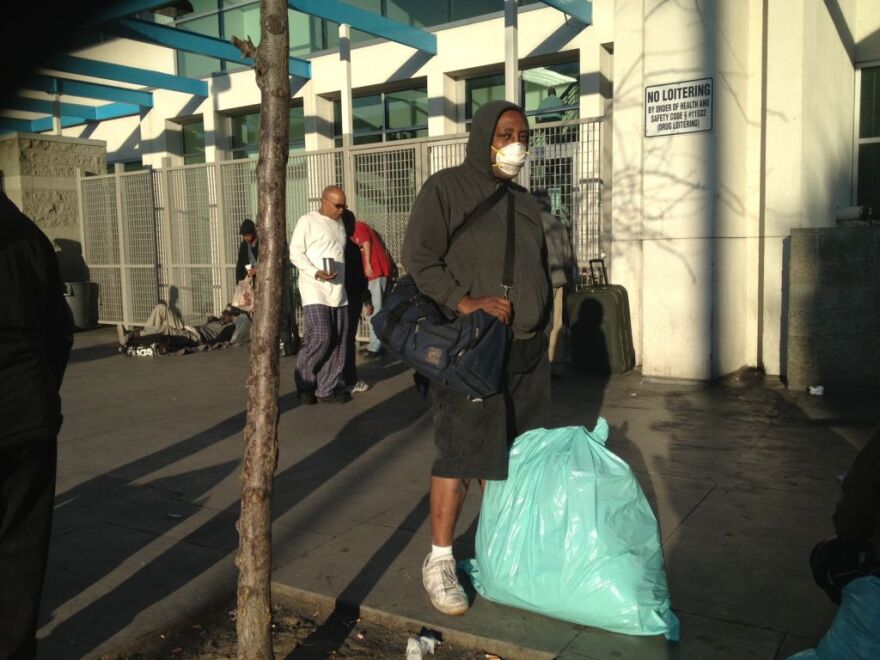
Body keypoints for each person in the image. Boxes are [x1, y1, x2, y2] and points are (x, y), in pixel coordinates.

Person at [401, 100, 552, 616]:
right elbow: (419, 258)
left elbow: (540, 266)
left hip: (525, 349)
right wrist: (465, 301)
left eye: (524, 135)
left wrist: (543, 325)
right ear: (483, 136)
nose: (517, 144)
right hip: (472, 346)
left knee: (512, 458)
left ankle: (501, 551)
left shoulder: (525, 202)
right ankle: (439, 561)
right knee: (461, 451)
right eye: (506, 133)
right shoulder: (446, 189)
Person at [0, 191, 74, 658]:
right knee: (21, 543)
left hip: (27, 404)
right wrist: (43, 388)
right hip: (26, 410)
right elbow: (58, 330)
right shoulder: (30, 236)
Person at [289, 185, 352, 405]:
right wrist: (315, 271)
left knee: (338, 341)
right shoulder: (307, 221)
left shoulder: (341, 224)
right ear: (324, 201)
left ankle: (326, 388)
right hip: (313, 288)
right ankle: (304, 380)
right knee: (322, 335)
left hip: (338, 290)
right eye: (337, 205)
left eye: (344, 206)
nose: (341, 210)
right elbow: (295, 253)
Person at [533, 189, 575, 378]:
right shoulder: (558, 224)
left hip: (538, 279)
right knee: (557, 321)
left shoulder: (530, 223)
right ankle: (555, 362)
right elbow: (568, 256)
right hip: (557, 279)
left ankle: (539, 362)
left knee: (540, 320)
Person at [118, 303, 241, 354]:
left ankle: (134, 335)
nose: (224, 316)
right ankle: (136, 336)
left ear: (233, 317)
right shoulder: (215, 319)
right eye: (224, 313)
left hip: (195, 337)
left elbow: (217, 341)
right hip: (188, 327)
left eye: (227, 315)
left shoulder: (229, 327)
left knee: (165, 329)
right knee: (161, 308)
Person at [351, 218, 394, 358]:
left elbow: (366, 242)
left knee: (374, 308)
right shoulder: (353, 231)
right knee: (375, 308)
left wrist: (368, 264)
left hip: (375, 271)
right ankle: (377, 344)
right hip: (373, 272)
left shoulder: (358, 226)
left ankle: (376, 346)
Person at [341, 209, 372, 393]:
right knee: (348, 340)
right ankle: (349, 377)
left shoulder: (330, 247)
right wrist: (366, 299)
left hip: (334, 299)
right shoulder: (351, 248)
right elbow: (360, 278)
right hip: (350, 298)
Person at [236, 218, 259, 282]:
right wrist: (239, 283)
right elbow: (240, 265)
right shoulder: (244, 245)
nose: (246, 238)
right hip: (249, 281)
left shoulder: (261, 245)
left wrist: (257, 270)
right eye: (244, 236)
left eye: (248, 235)